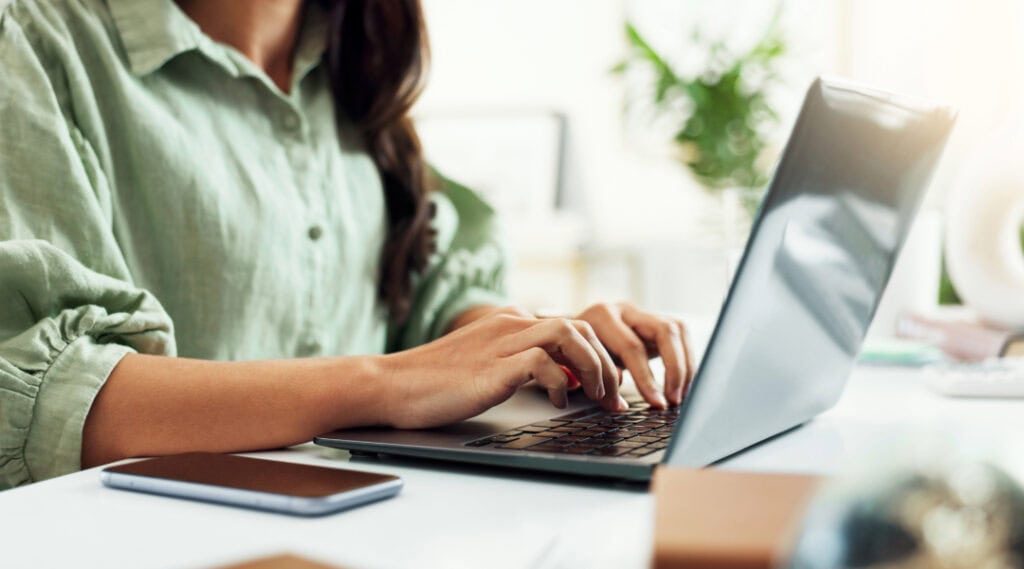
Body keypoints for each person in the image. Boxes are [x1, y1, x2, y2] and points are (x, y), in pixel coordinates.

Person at [0, 0, 693, 489]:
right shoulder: (35, 40)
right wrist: (387, 383)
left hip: (373, 519)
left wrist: (536, 346)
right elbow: (42, 396)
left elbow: (425, 296)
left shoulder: (353, 61)